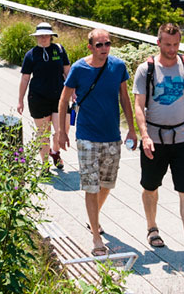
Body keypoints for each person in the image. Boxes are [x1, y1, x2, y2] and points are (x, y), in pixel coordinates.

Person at [54, 28, 136, 258]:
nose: (104, 49)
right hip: (87, 136)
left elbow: (124, 98)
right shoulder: (79, 68)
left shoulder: (118, 67)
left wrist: (132, 128)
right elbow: (63, 100)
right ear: (90, 47)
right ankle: (96, 238)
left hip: (112, 135)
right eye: (99, 45)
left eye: (107, 44)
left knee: (107, 184)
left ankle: (93, 217)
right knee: (91, 185)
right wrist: (62, 131)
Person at [133, 23, 184, 263]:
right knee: (150, 187)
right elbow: (139, 105)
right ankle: (152, 227)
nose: (172, 49)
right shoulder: (147, 70)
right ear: (158, 43)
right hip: (155, 139)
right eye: (167, 44)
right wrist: (144, 134)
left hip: (183, 137)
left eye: (175, 44)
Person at [17, 22, 69, 169]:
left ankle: (55, 151)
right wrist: (20, 100)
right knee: (43, 134)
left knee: (62, 130)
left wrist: (74, 92)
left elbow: (67, 71)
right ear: (36, 37)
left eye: (46, 35)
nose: (43, 38)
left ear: (51, 36)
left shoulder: (59, 50)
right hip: (38, 98)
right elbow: (25, 78)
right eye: (40, 35)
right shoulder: (30, 55)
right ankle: (45, 164)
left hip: (59, 96)